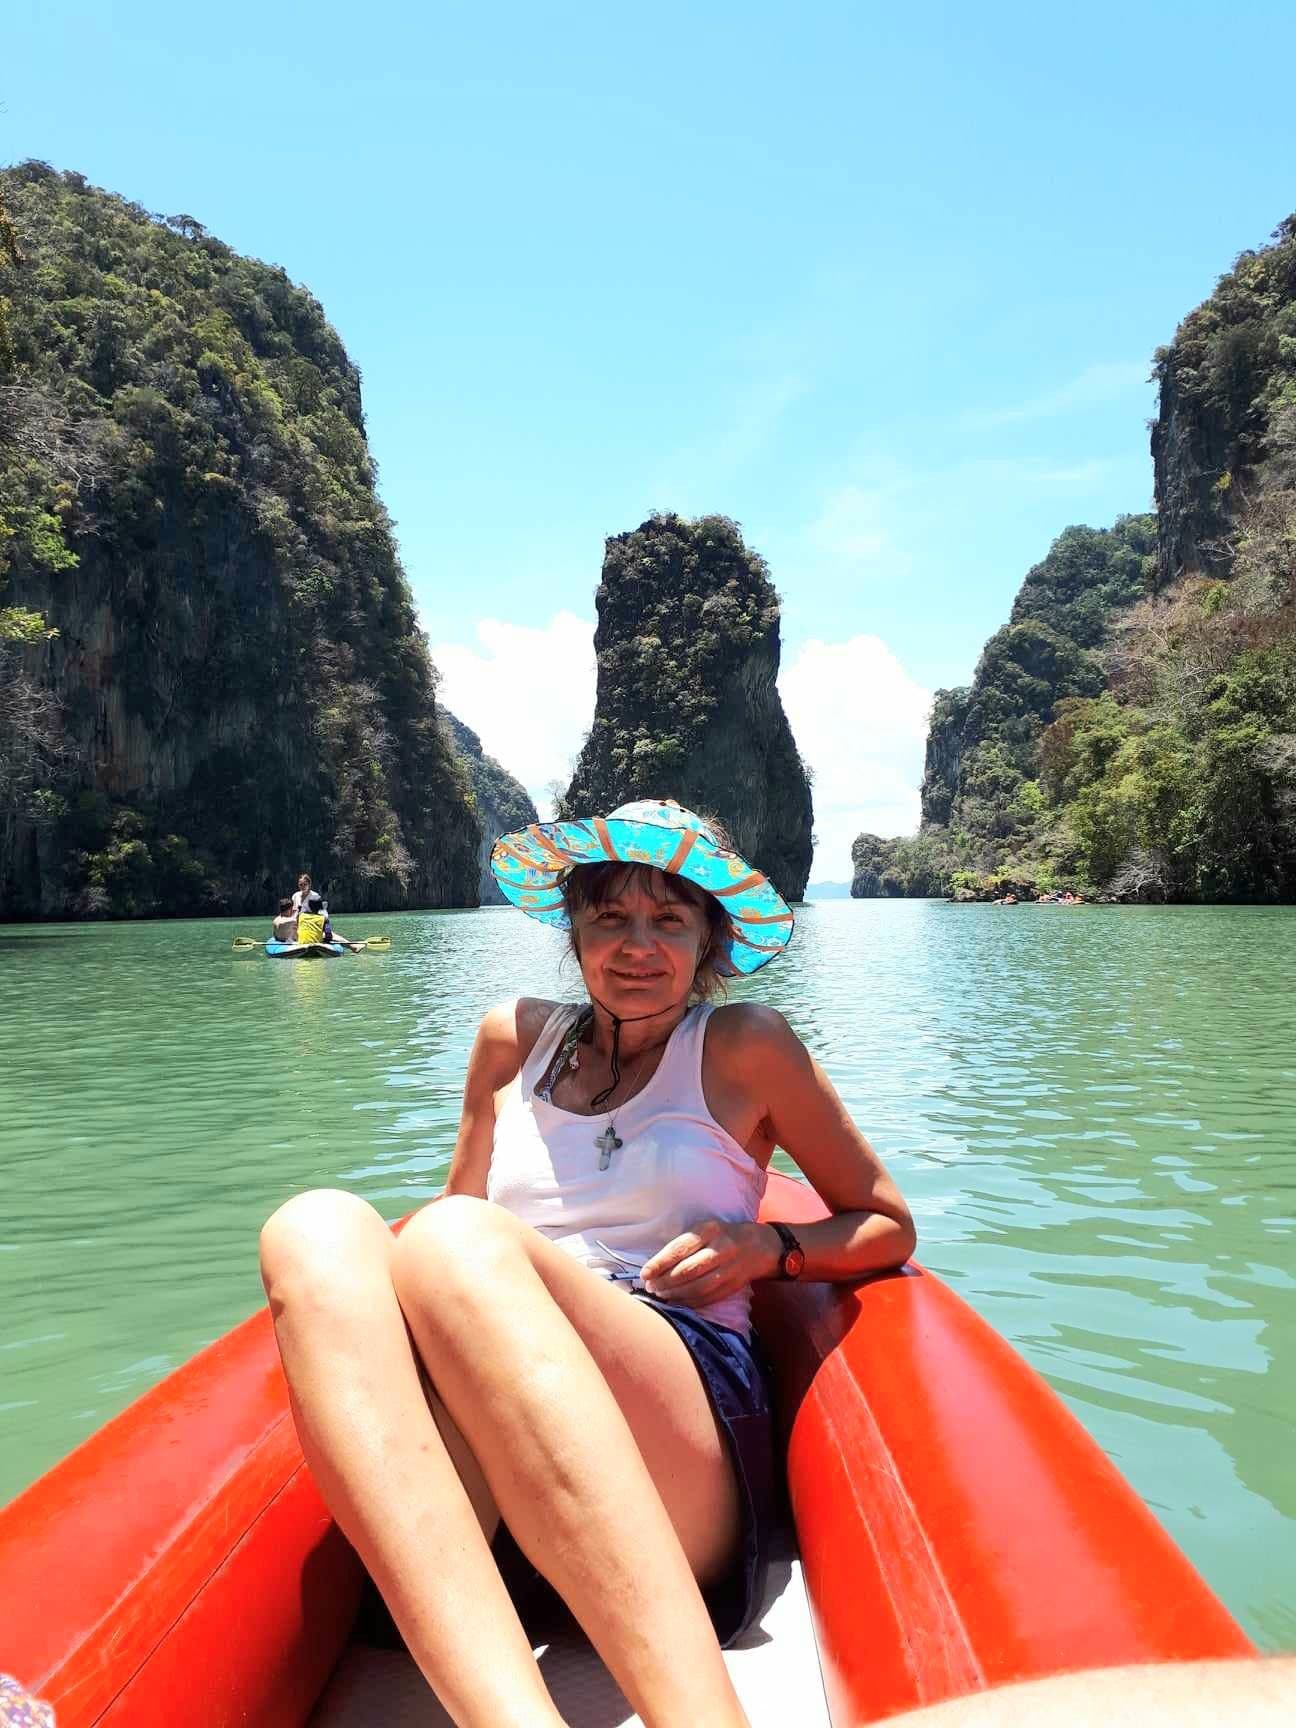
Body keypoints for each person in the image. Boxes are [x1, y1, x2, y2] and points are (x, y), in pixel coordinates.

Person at [259, 799, 915, 1728]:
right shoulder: (508, 1041)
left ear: (709, 940)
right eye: (610, 917)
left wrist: (770, 1247)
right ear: (572, 931)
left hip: (675, 1415)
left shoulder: (743, 1047)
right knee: (312, 1225)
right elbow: (456, 1219)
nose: (637, 946)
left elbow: (886, 1222)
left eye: (669, 920)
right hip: (502, 1431)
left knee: (456, 1238)